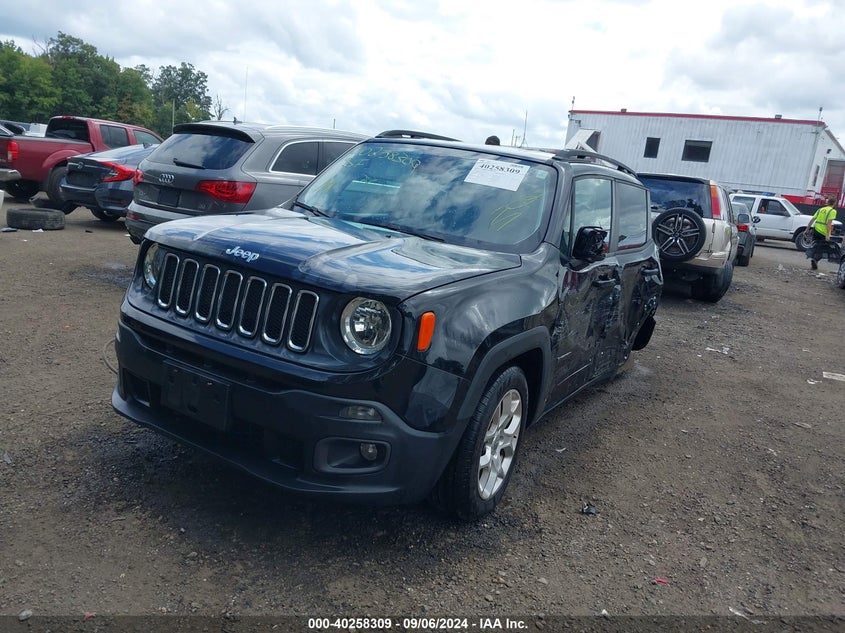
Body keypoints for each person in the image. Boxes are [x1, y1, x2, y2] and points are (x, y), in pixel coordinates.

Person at [806, 196, 837, 270]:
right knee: (822, 248)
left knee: (815, 245)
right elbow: (829, 223)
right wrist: (827, 235)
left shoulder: (820, 209)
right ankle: (815, 260)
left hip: (816, 230)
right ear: (834, 203)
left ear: (828, 202)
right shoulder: (833, 211)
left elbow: (812, 219)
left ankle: (813, 260)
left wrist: (807, 229)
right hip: (823, 232)